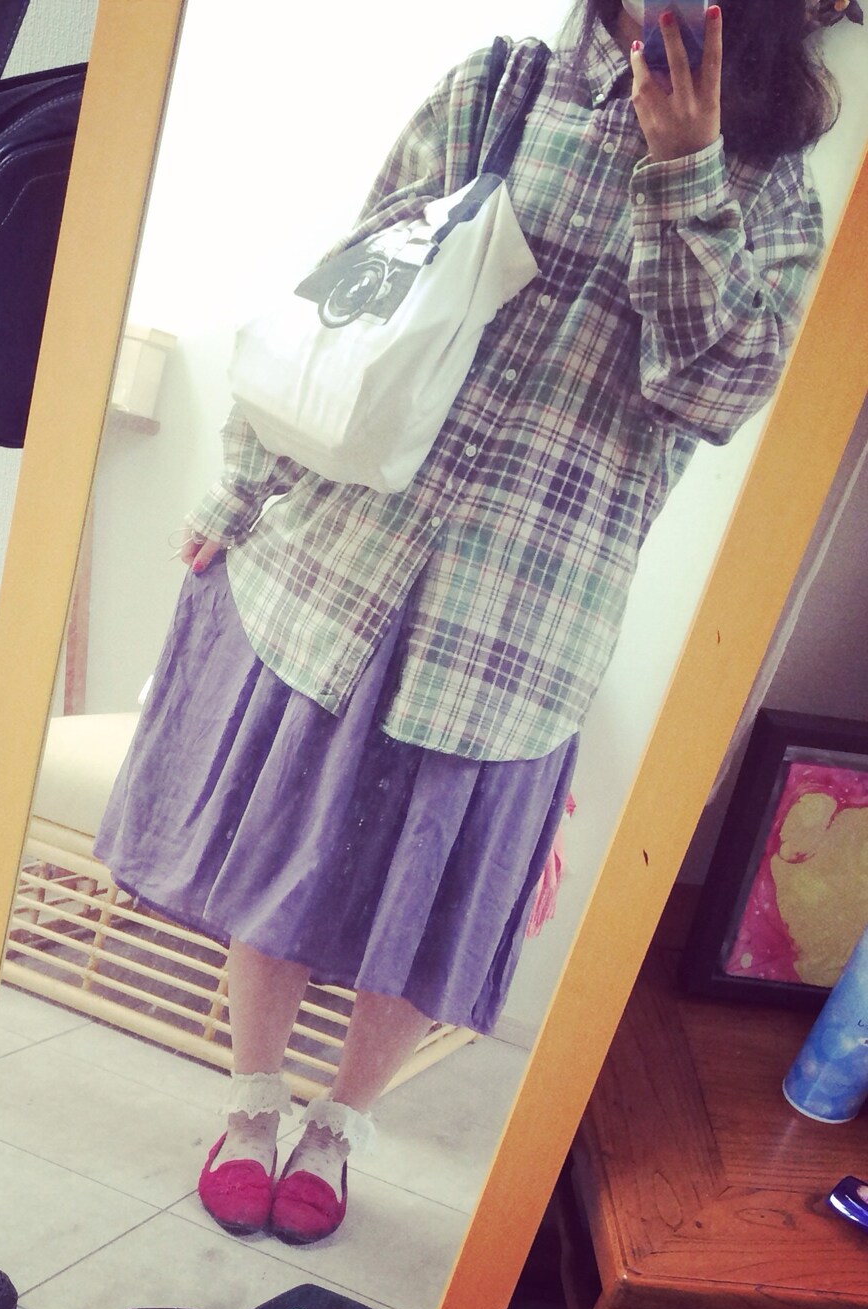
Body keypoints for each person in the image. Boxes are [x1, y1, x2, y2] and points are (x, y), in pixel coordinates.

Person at [95, 0, 837, 1245]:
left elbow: (712, 392)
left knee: (420, 900)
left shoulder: (772, 193)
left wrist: (684, 173)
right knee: (279, 857)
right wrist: (241, 482)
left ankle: (340, 1124)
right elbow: (348, 294)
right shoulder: (499, 89)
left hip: (522, 616)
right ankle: (252, 1102)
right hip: (345, 555)